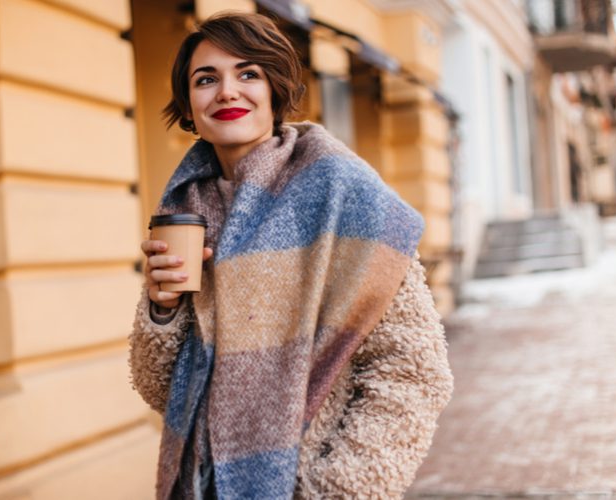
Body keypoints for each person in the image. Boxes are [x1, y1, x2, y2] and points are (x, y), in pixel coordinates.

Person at [129, 12, 454, 500]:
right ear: (188, 105)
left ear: (275, 88)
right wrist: (162, 310)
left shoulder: (342, 193)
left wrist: (336, 489)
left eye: (248, 74)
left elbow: (413, 370)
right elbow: (163, 392)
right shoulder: (186, 207)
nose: (226, 92)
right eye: (205, 79)